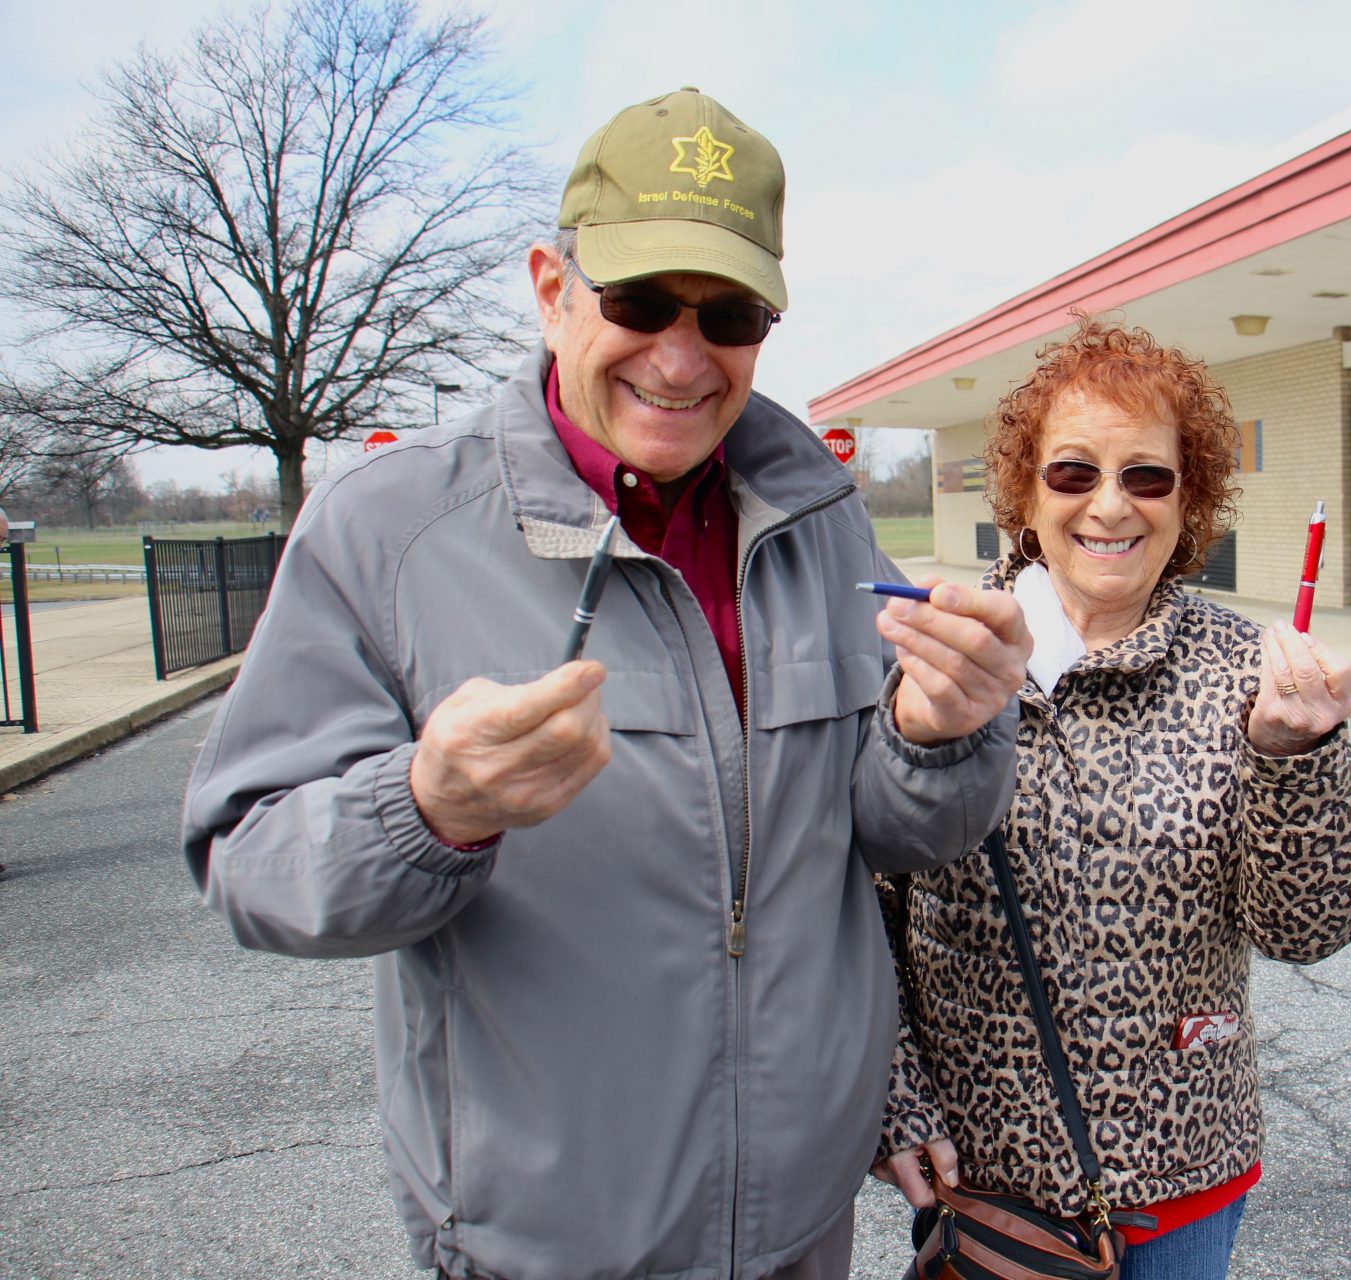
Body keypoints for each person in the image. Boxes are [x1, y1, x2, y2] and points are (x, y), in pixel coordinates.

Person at [183, 88, 1031, 1280]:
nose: (682, 358)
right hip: (544, 1245)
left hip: (799, 1231)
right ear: (550, 289)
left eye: (729, 314)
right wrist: (427, 806)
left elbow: (903, 836)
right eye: (637, 302)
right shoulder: (386, 529)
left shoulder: (826, 520)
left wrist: (938, 733)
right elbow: (250, 859)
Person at [874, 318, 1351, 1279]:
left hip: (1180, 1184)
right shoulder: (943, 651)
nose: (1111, 505)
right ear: (1025, 492)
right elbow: (863, 907)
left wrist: (1292, 754)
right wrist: (893, 1096)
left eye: (1148, 475)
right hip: (982, 1189)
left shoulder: (1246, 671)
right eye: (1073, 473)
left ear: (1191, 501)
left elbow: (1309, 928)